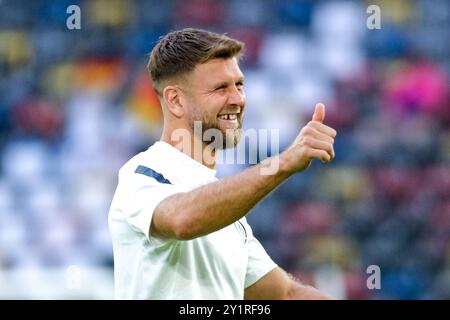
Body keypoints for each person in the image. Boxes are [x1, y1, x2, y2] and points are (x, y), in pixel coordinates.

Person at [108, 28, 336, 300]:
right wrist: (284, 162)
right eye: (220, 88)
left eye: (239, 85)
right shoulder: (143, 174)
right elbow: (182, 221)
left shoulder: (225, 210)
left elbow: (287, 294)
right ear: (175, 100)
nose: (238, 99)